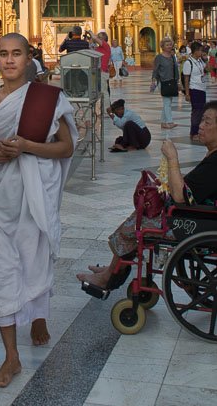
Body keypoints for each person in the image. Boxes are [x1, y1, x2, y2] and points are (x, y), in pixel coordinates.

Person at [0, 33, 77, 388]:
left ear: (29, 57)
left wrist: (28, 146)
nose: (10, 60)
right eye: (3, 54)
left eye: (17, 53)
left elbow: (65, 148)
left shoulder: (47, 98)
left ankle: (38, 315)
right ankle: (11, 357)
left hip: (35, 193)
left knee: (34, 259)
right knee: (1, 271)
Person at [77, 101, 217, 289]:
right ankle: (111, 271)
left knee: (134, 225)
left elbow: (181, 197)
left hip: (191, 222)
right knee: (140, 215)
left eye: (207, 122)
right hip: (196, 217)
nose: (200, 126)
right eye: (202, 120)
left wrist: (172, 158)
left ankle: (109, 276)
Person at [151, 37, 179, 129]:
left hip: (172, 81)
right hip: (163, 81)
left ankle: (163, 122)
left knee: (167, 102)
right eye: (167, 45)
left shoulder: (172, 57)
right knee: (167, 102)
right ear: (163, 46)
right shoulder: (159, 57)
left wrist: (178, 81)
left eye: (170, 44)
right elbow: (155, 70)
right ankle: (169, 122)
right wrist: (153, 81)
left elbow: (175, 69)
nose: (169, 46)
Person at [183, 40, 207, 142]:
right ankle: (194, 132)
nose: (202, 53)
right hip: (194, 89)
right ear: (195, 51)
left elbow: (208, 70)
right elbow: (186, 78)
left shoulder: (200, 61)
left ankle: (199, 131)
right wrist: (187, 93)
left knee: (202, 111)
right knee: (196, 111)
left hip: (202, 88)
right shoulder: (189, 62)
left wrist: (206, 60)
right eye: (200, 51)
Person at [91, 30, 112, 110]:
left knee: (104, 91)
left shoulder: (106, 45)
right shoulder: (98, 48)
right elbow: (91, 45)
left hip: (103, 72)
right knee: (96, 92)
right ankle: (98, 109)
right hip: (96, 71)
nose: (97, 38)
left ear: (103, 39)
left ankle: (107, 109)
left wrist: (91, 33)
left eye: (99, 37)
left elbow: (94, 38)